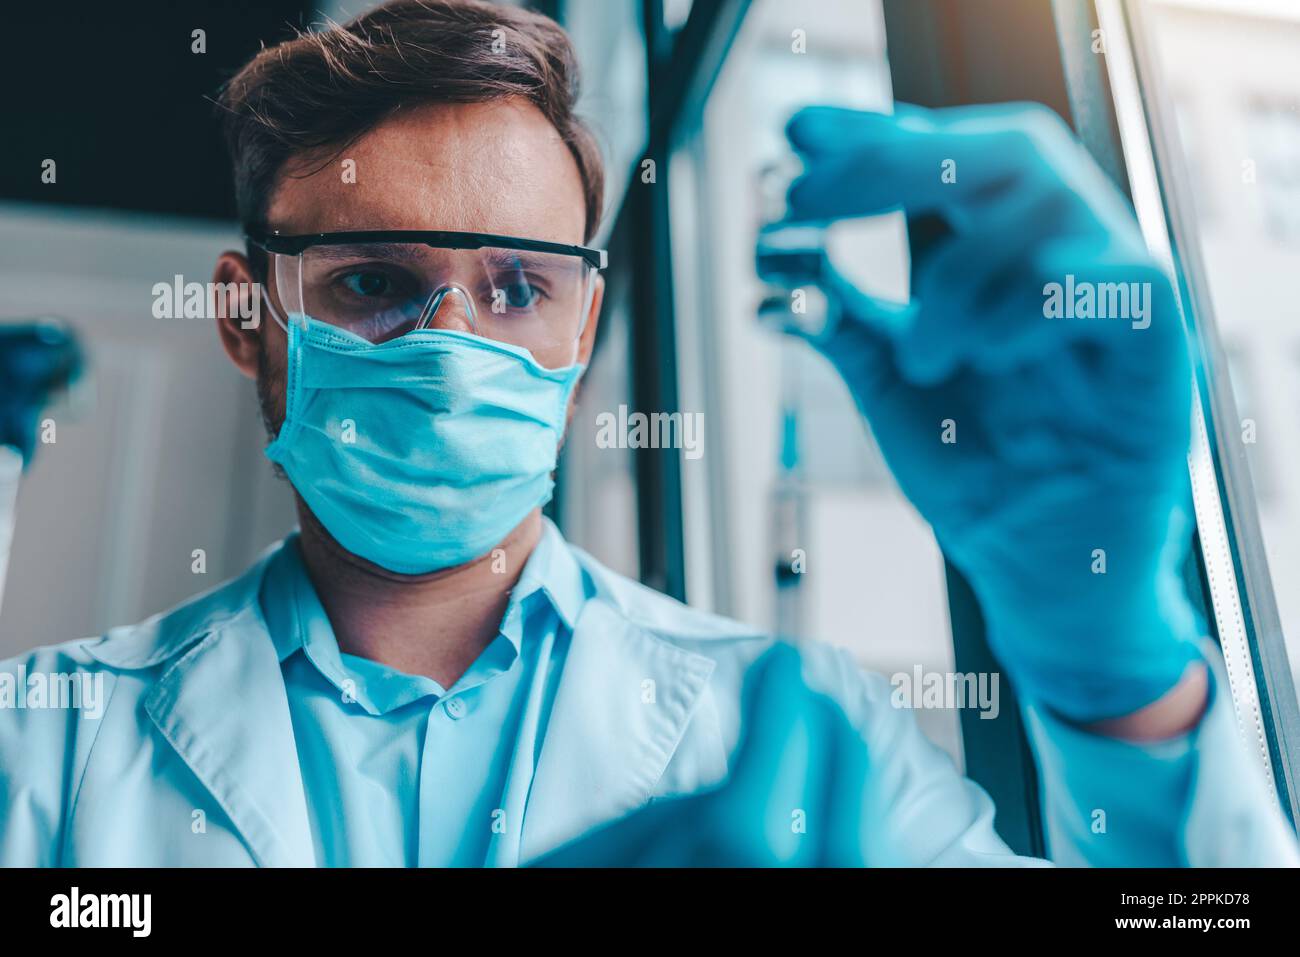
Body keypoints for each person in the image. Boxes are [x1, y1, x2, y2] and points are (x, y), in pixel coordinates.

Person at [0, 0, 1294, 867]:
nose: (456, 352)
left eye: (518, 288)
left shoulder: (802, 745)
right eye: (373, 283)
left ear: (586, 322)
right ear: (245, 312)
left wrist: (1114, 666)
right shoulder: (38, 744)